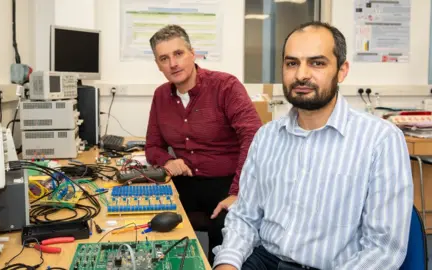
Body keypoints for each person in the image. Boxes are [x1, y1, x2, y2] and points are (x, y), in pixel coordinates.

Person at [213, 21, 413, 270]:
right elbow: (244, 217)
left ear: (342, 70)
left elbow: (383, 249)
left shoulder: (380, 140)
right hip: (266, 260)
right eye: (292, 63)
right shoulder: (266, 137)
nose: (301, 75)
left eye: (317, 63)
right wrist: (227, 263)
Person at [145, 24, 262, 264]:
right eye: (164, 58)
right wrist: (168, 160)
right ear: (158, 65)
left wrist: (238, 192)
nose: (173, 64)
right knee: (149, 227)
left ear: (192, 53)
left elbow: (254, 137)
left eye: (178, 54)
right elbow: (152, 147)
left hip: (227, 182)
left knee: (226, 242)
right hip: (185, 184)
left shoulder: (225, 86)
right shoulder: (160, 96)